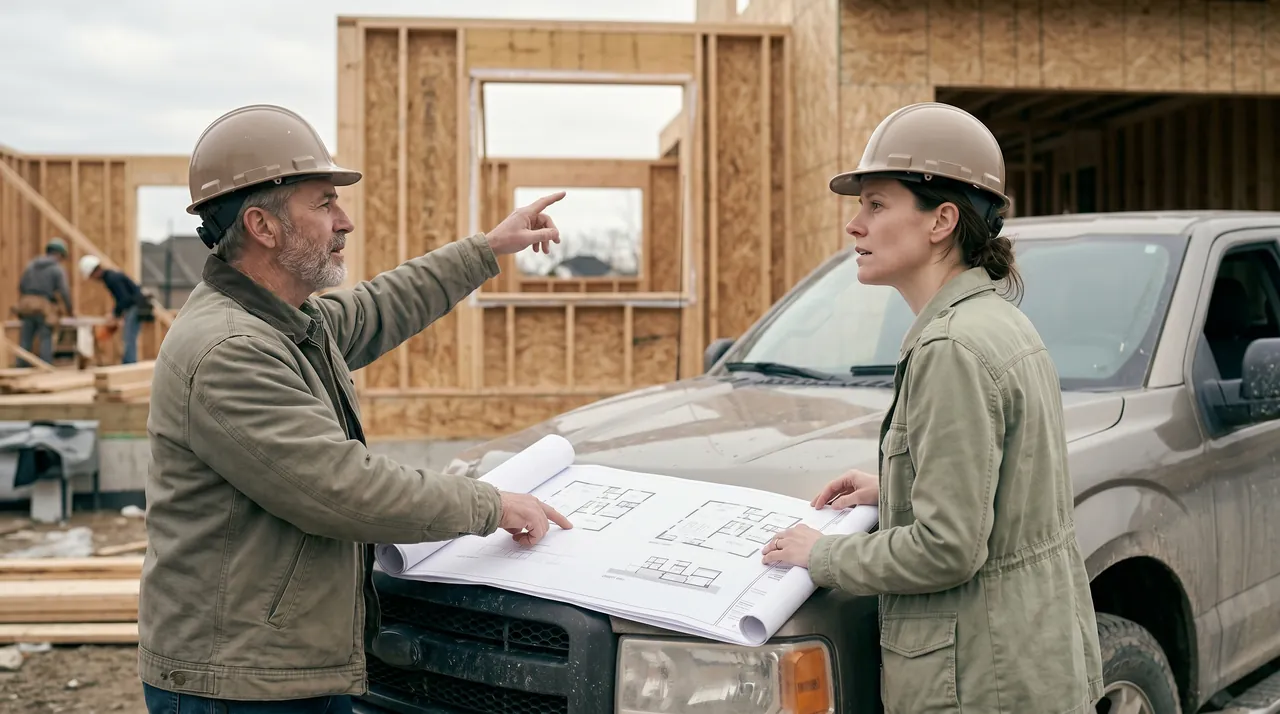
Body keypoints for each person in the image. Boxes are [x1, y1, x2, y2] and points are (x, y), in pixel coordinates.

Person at [138, 104, 573, 713]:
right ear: (263, 226)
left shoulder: (287, 320)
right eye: (323, 203)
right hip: (239, 686)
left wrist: (487, 249)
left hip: (277, 666)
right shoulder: (230, 351)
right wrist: (492, 504)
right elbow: (342, 490)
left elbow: (378, 305)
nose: (344, 221)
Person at [760, 102, 1105, 713]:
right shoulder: (995, 322)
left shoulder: (953, 347)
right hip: (1022, 664)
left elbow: (948, 548)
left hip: (980, 682)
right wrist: (894, 482)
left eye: (876, 204)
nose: (854, 226)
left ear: (941, 220)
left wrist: (822, 554)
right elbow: (1006, 495)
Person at [12, 238, 74, 367]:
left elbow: (21, 285)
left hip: (26, 305)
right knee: (46, 338)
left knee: (25, 340)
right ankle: (45, 368)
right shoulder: (57, 269)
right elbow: (64, 291)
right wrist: (70, 310)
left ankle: (20, 369)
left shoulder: (31, 266)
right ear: (59, 254)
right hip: (43, 307)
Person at [78, 254, 144, 364]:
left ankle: (129, 365)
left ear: (95, 272)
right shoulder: (111, 277)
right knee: (129, 337)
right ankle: (129, 363)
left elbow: (124, 299)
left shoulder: (111, 279)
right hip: (135, 306)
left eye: (91, 276)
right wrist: (117, 313)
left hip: (135, 307)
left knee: (129, 338)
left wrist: (114, 314)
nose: (93, 279)